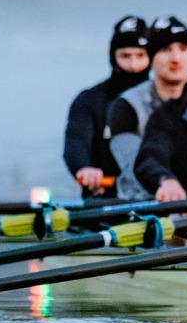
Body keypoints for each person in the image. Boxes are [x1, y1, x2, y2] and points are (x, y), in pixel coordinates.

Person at [105, 16, 187, 200]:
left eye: (183, 49)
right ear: (151, 59)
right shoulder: (126, 106)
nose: (176, 58)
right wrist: (164, 180)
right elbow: (135, 165)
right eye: (166, 49)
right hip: (144, 204)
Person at [63, 15, 150, 197]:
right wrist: (84, 168)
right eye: (125, 56)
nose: (133, 65)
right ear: (113, 57)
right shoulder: (89, 100)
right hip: (105, 198)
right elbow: (76, 141)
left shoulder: (166, 100)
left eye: (140, 56)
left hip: (158, 199)